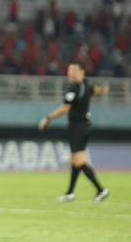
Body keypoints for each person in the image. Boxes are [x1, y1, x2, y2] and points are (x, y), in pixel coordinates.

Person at [38, 62, 109, 202]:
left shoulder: (75, 88)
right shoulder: (86, 85)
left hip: (78, 127)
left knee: (79, 160)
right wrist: (104, 89)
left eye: (74, 70)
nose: (70, 73)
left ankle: (101, 190)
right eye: (69, 70)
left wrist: (47, 118)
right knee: (75, 161)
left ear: (82, 72)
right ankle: (70, 193)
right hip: (84, 126)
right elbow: (95, 90)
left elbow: (65, 108)